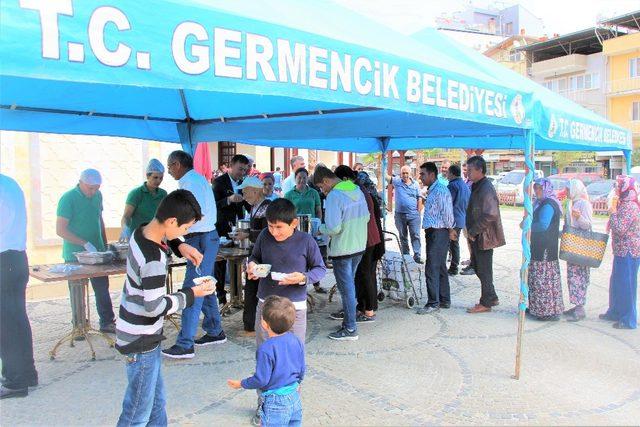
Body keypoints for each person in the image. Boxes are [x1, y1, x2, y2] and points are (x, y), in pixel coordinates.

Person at [116, 190, 216, 426]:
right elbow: (154, 306)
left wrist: (181, 246)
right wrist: (192, 294)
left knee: (156, 403)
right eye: (184, 229)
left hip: (139, 334)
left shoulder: (141, 230)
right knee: (137, 414)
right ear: (172, 221)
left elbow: (165, 233)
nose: (185, 233)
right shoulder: (153, 260)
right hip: (141, 340)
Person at [163, 151, 226, 359]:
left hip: (201, 238)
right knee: (204, 285)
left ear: (178, 164)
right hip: (205, 237)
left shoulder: (188, 184)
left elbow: (191, 217)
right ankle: (215, 330)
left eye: (170, 166)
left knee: (193, 288)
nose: (169, 171)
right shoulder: (198, 180)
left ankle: (185, 343)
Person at [246, 199, 326, 346]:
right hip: (266, 302)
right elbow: (255, 257)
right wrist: (252, 265)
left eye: (279, 227)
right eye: (270, 226)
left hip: (294, 305)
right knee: (265, 349)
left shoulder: (306, 241)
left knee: (294, 351)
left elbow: (320, 269)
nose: (274, 232)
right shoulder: (264, 235)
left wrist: (303, 277)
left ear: (294, 223)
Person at [227, 296, 305, 427]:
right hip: (294, 395)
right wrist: (298, 382)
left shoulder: (266, 348)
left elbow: (261, 379)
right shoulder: (296, 340)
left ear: (264, 323)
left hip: (275, 401)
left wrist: (242, 383)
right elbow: (302, 367)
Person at [56, 169, 115, 333]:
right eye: (90, 188)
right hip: (74, 254)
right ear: (81, 183)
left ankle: (107, 322)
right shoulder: (68, 198)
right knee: (77, 291)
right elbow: (60, 230)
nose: (93, 191)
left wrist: (104, 244)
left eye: (96, 188)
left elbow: (99, 219)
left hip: (96, 252)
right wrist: (84, 243)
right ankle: (79, 326)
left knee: (102, 288)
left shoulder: (98, 195)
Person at [314, 166, 369, 340]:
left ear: (326, 181)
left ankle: (350, 328)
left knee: (347, 290)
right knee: (349, 287)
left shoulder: (334, 196)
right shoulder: (356, 189)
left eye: (321, 188)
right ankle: (349, 323)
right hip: (359, 247)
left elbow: (333, 227)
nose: (322, 191)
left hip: (343, 250)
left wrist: (319, 229)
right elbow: (366, 217)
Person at [0, 174, 38, 399]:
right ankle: (27, 373)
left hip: (3, 260)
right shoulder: (10, 182)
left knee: (6, 325)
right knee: (18, 320)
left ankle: (15, 381)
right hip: (17, 258)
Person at [335, 166, 384, 322]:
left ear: (344, 179)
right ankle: (362, 307)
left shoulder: (356, 191)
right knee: (365, 274)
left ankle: (368, 310)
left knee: (364, 274)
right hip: (368, 237)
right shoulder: (360, 189)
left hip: (366, 238)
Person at [465, 156, 505, 314]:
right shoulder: (477, 185)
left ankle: (486, 302)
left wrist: (474, 231)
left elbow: (490, 214)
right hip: (478, 235)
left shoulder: (486, 187)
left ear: (479, 170)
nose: (467, 173)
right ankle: (492, 296)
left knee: (483, 269)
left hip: (484, 236)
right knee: (479, 267)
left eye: (470, 170)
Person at [600, 175, 640, 329]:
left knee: (627, 285)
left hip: (629, 252)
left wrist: (613, 212)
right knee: (616, 282)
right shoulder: (624, 204)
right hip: (621, 251)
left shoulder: (630, 207)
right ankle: (615, 311)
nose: (616, 188)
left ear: (626, 188)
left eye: (619, 186)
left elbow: (620, 229)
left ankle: (628, 319)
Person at [416, 163, 456, 314]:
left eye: (423, 174)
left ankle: (433, 302)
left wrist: (451, 229)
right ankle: (444, 299)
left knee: (432, 267)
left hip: (439, 232)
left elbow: (447, 213)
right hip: (434, 232)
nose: (420, 177)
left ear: (432, 175)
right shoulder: (432, 190)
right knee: (439, 267)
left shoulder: (440, 190)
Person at [234, 177, 271, 333]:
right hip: (256, 254)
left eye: (245, 190)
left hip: (264, 256)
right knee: (252, 289)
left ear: (255, 190)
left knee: (257, 289)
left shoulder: (267, 207)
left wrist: (247, 234)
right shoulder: (254, 207)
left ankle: (256, 322)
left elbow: (267, 233)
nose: (243, 194)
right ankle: (250, 323)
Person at [213, 154, 251, 304]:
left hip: (239, 226)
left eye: (244, 170)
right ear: (231, 165)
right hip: (222, 226)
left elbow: (248, 204)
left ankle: (237, 295)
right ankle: (221, 295)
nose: (241, 172)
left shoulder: (243, 183)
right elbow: (214, 205)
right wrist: (228, 200)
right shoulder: (219, 182)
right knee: (221, 261)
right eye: (239, 169)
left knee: (239, 258)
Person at [527, 178, 564, 321]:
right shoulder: (541, 203)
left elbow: (543, 225)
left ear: (547, 189)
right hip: (540, 247)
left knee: (544, 280)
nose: (537, 191)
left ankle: (547, 310)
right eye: (535, 188)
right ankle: (539, 308)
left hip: (545, 249)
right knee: (538, 279)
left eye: (540, 188)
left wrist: (527, 227)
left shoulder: (548, 205)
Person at [563, 179, 593, 322]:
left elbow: (587, 225)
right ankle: (576, 305)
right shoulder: (572, 203)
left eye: (568, 190)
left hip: (581, 246)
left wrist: (578, 216)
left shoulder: (584, 203)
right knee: (572, 276)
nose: (567, 192)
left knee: (580, 277)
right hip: (572, 245)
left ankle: (580, 307)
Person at [119, 159, 168, 241]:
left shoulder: (163, 194)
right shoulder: (136, 193)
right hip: (138, 238)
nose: (158, 181)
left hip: (156, 237)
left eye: (161, 178)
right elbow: (126, 216)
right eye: (155, 177)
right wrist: (125, 229)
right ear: (147, 176)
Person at [389, 165, 422, 264]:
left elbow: (419, 198)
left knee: (415, 235)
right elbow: (386, 177)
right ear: (400, 174)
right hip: (400, 215)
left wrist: (418, 212)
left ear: (410, 173)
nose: (405, 175)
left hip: (413, 215)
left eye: (407, 173)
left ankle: (417, 255)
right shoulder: (397, 181)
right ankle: (406, 256)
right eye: (403, 173)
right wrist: (384, 163)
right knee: (403, 236)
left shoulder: (415, 184)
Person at [447, 164, 470, 275]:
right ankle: (454, 265)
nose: (446, 175)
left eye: (447, 173)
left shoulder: (452, 185)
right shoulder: (464, 185)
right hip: (462, 218)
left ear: (451, 173)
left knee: (452, 244)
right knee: (454, 243)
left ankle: (453, 267)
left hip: (452, 219)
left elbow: (447, 203)